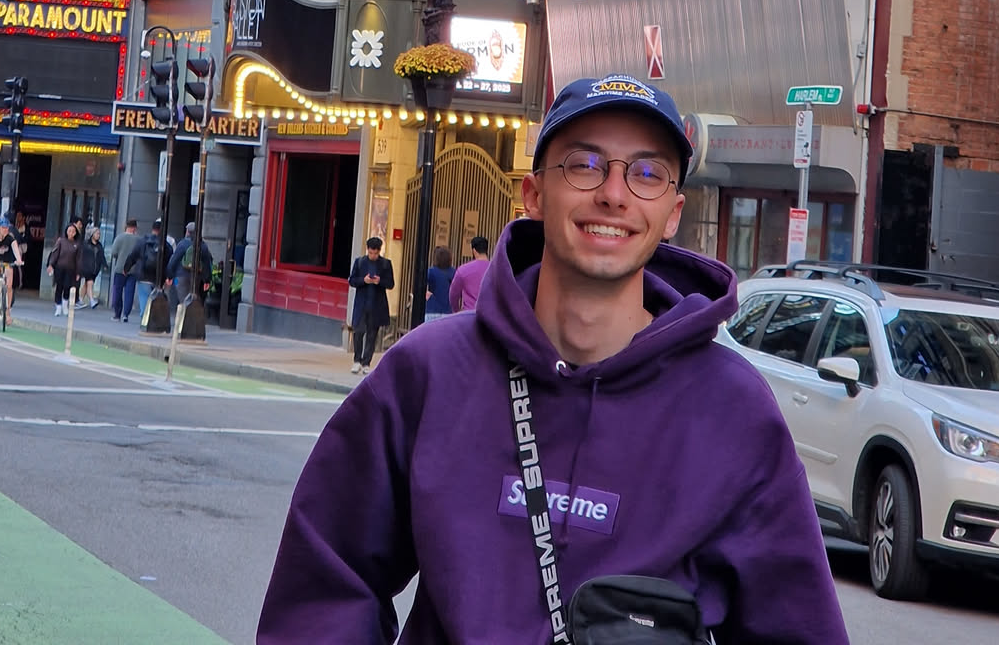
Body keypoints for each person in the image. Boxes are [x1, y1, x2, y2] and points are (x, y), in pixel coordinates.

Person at [258, 73, 849, 645]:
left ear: (673, 213)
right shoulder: (429, 372)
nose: (614, 194)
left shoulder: (733, 411)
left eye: (646, 173)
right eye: (585, 165)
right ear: (535, 195)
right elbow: (324, 583)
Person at [347, 236, 393, 374]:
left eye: (376, 253)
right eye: (371, 253)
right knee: (358, 332)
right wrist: (364, 280)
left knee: (372, 335)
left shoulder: (385, 264)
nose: (373, 256)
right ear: (367, 250)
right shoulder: (360, 262)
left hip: (376, 305)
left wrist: (380, 281)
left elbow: (390, 284)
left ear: (379, 251)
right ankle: (357, 360)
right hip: (362, 304)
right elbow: (352, 280)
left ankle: (366, 362)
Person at [166, 221, 212, 308]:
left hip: (181, 277)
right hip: (197, 277)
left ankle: (183, 316)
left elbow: (174, 260)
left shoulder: (182, 244)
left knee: (183, 302)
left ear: (187, 231)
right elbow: (207, 264)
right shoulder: (203, 246)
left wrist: (169, 276)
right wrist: (207, 280)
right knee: (193, 301)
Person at [448, 235, 491, 313]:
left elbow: (453, 295)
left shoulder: (463, 270)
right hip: (489, 314)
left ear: (474, 251)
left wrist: (456, 311)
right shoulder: (496, 269)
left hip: (469, 314)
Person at [48, 221, 81, 317]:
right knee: (59, 287)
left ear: (75, 233)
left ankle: (65, 306)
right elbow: (55, 254)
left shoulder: (77, 244)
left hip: (71, 270)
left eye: (73, 231)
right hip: (59, 268)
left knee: (67, 287)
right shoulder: (61, 241)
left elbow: (78, 259)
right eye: (69, 231)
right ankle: (58, 307)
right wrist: (51, 264)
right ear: (66, 231)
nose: (71, 233)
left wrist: (78, 272)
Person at [111, 218, 140, 320]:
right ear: (135, 228)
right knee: (129, 292)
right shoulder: (138, 240)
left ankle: (117, 314)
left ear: (126, 226)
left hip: (120, 268)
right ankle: (126, 314)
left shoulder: (119, 238)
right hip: (133, 269)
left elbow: (114, 252)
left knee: (117, 291)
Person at [80, 224, 107, 308]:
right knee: (90, 283)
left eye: (99, 234)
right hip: (87, 268)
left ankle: (80, 299)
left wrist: (105, 265)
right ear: (92, 234)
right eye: (97, 233)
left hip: (95, 269)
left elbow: (102, 256)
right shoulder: (86, 244)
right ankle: (92, 300)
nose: (98, 235)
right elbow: (81, 255)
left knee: (87, 284)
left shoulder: (99, 246)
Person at [424, 245, 454, 319]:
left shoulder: (431, 271)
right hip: (448, 310)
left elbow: (420, 286)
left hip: (432, 309)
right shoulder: (453, 272)